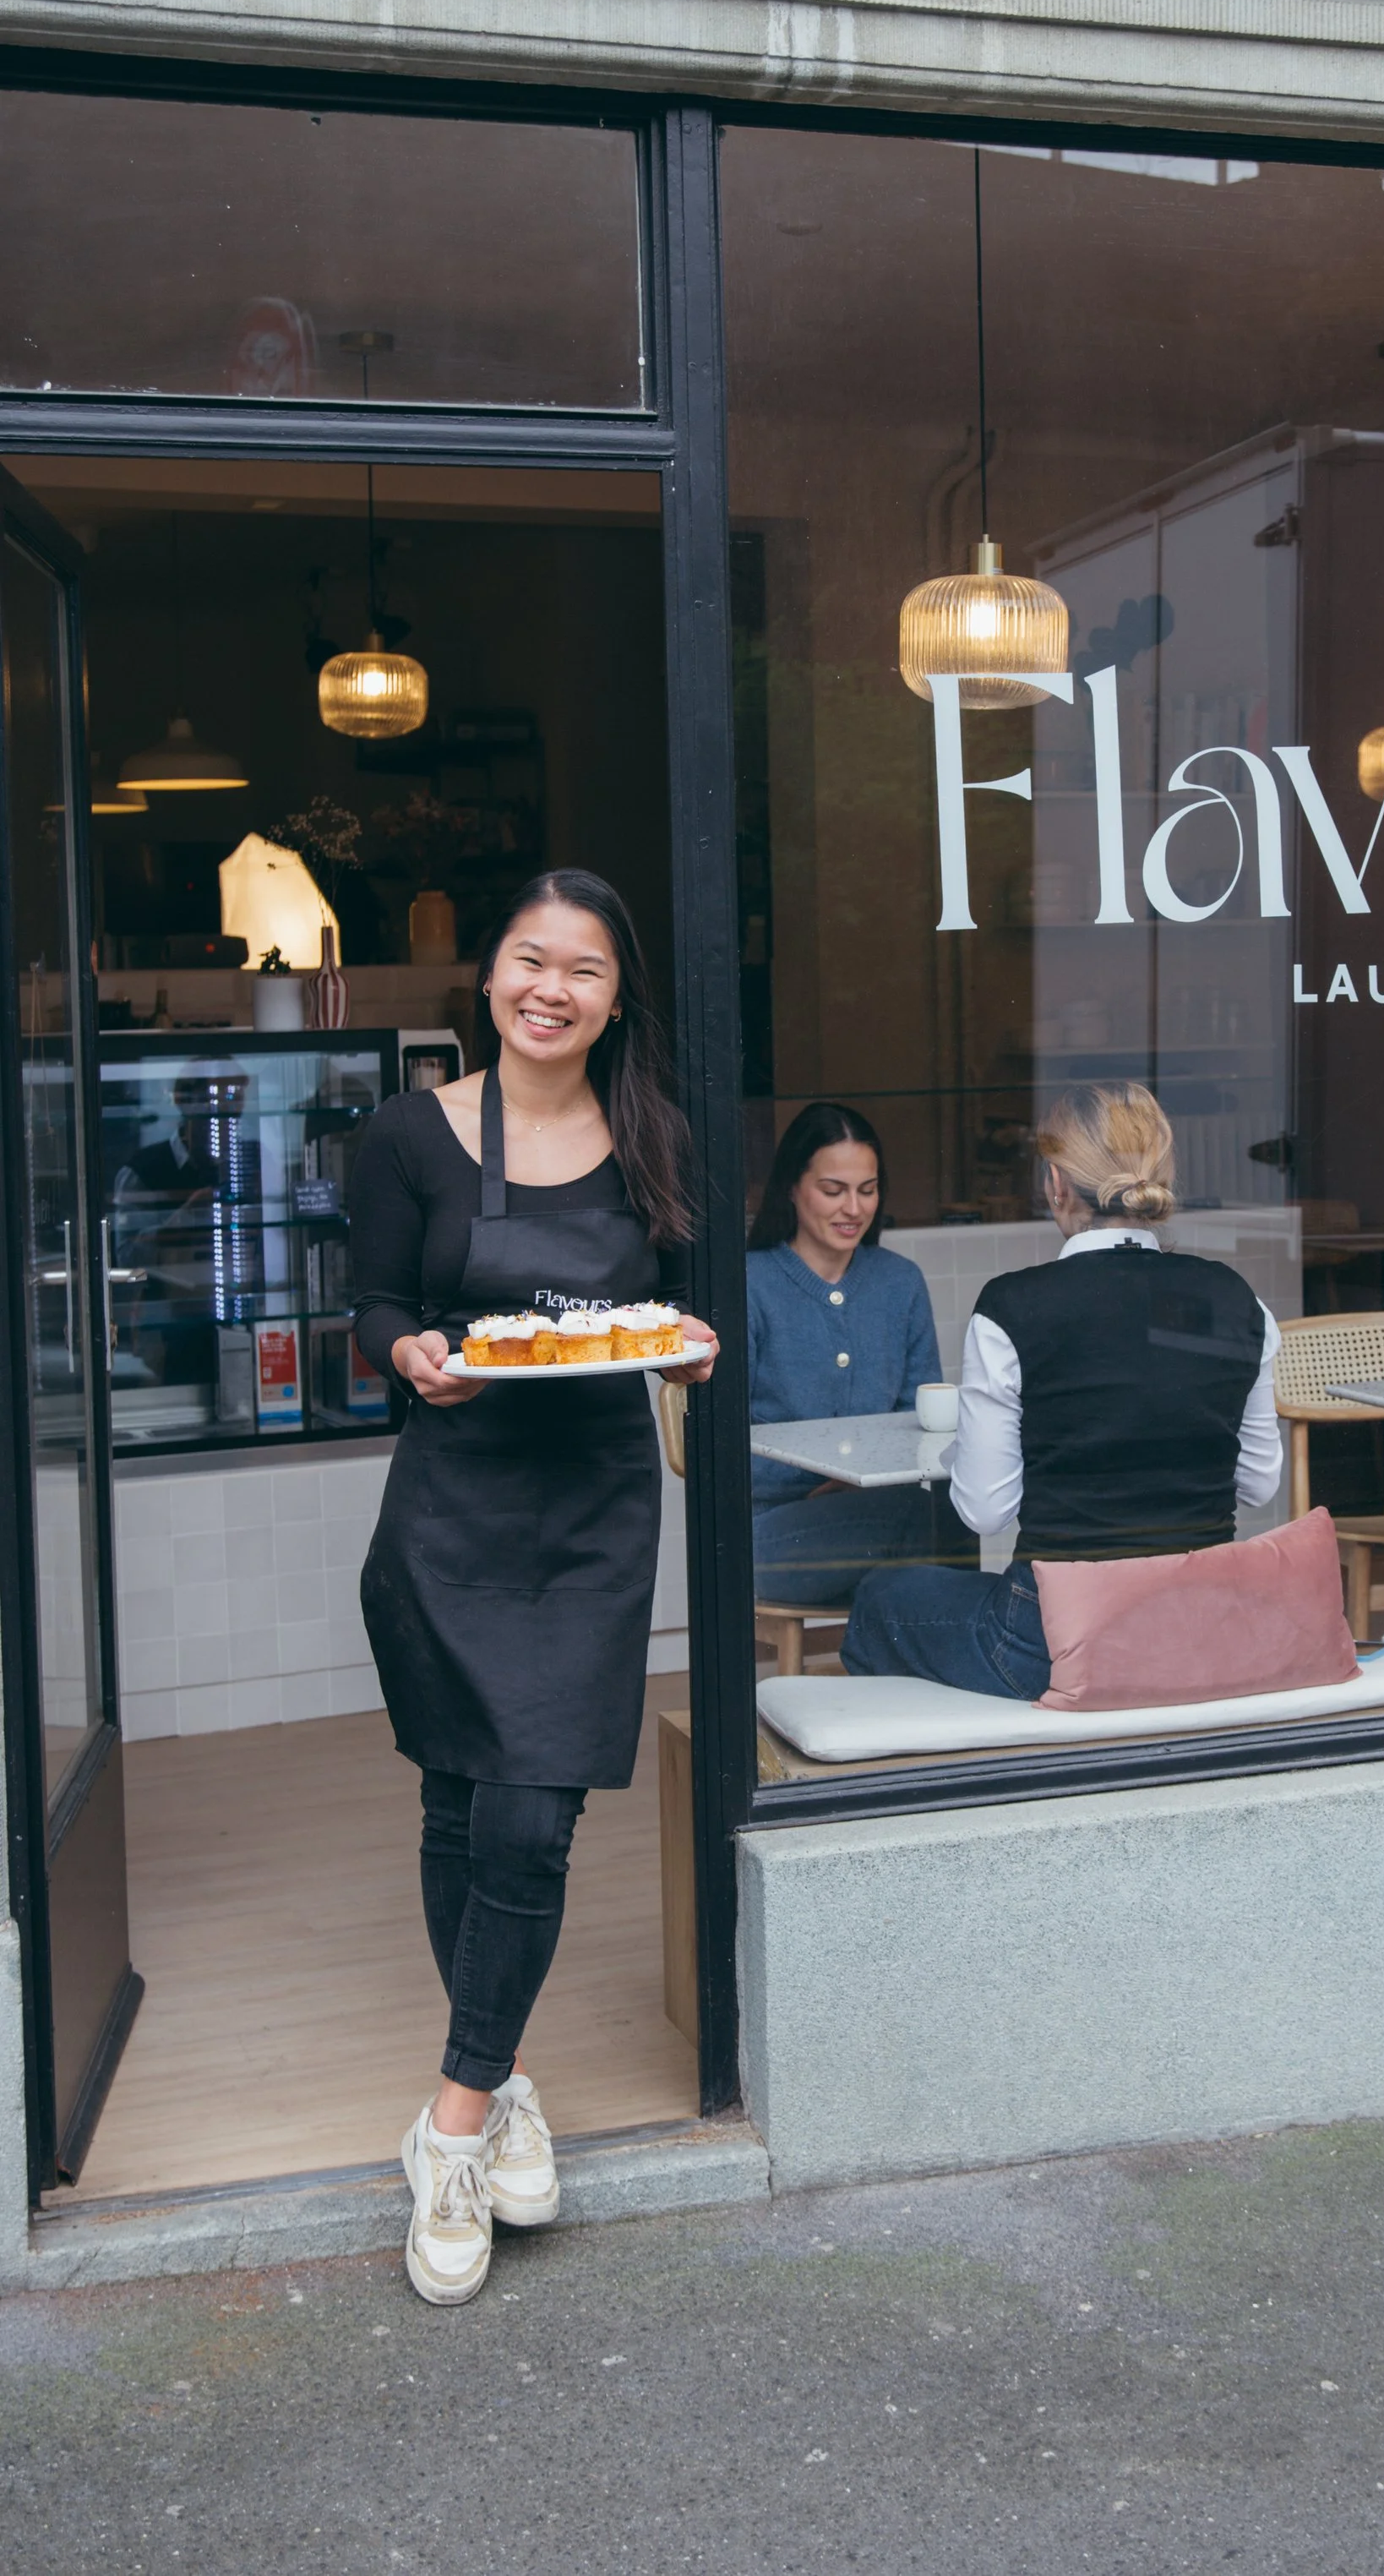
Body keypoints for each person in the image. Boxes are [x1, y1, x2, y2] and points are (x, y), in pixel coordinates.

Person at [349, 869, 717, 2307]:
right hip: (453, 1508)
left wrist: (692, 1348)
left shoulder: (654, 1139)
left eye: (583, 970)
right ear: (490, 975)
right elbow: (374, 1302)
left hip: (594, 1511)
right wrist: (406, 1355)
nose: (549, 988)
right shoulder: (409, 1137)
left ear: (616, 999)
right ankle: (501, 2086)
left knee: (532, 1812)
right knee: (461, 1799)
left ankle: (446, 2125)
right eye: (528, 959)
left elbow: (692, 1313)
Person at [842, 1083, 1282, 1697]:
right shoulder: (1240, 1303)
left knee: (882, 1597)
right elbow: (1260, 1484)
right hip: (1198, 1628)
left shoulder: (1012, 1307)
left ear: (1055, 1183)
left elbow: (984, 1511)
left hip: (1051, 1641)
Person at [746, 1102, 946, 1605]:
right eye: (833, 1191)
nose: (853, 1209)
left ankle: (898, 1655)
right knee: (928, 1522)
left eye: (868, 1190)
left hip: (882, 1518)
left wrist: (867, 1484)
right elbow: (722, 1444)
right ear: (792, 1188)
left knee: (947, 1511)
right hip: (767, 1535)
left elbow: (924, 1424)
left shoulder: (900, 1283)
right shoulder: (748, 1284)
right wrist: (840, 1479)